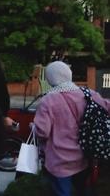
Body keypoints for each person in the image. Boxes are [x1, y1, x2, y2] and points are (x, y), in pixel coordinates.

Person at [34, 61, 110, 196]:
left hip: (59, 162)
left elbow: (42, 132)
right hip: (85, 157)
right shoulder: (89, 94)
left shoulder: (48, 101)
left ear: (50, 78)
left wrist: (33, 127)